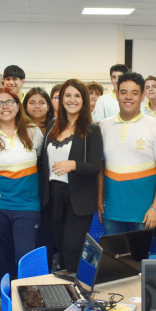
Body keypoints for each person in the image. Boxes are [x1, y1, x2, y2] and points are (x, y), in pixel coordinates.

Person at [0, 88, 43, 281]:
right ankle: (7, 305)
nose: (5, 107)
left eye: (9, 102)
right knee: (3, 257)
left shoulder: (33, 132)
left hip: (27, 205)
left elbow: (41, 164)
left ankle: (23, 302)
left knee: (23, 256)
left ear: (18, 106)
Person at [39, 79, 102, 272]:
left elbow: (94, 166)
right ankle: (66, 292)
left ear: (84, 100)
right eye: (67, 95)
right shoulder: (52, 125)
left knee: (72, 248)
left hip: (79, 199)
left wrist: (73, 165)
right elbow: (43, 162)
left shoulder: (92, 130)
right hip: (53, 197)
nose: (72, 100)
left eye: (77, 95)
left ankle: (77, 295)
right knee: (59, 247)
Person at [99, 72, 156, 235]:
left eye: (134, 93)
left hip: (144, 214)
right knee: (113, 259)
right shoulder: (103, 126)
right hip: (111, 212)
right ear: (116, 95)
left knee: (140, 260)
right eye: (123, 92)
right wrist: (99, 201)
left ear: (142, 96)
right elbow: (100, 167)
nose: (128, 97)